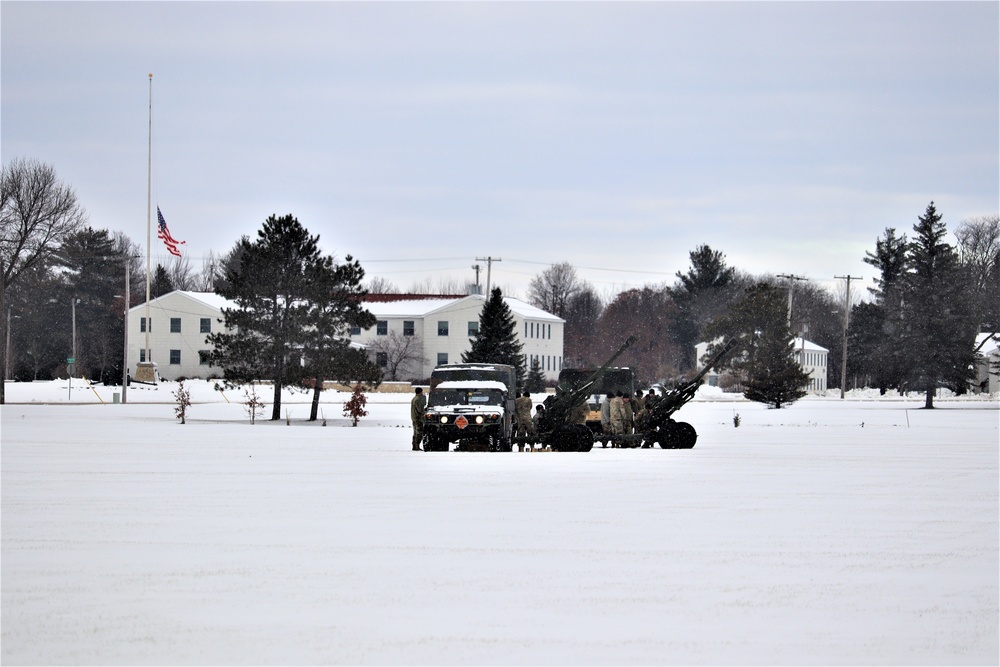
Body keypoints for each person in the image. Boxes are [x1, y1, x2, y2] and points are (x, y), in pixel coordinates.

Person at [410, 387, 426, 451]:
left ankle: (414, 446)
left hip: (414, 418)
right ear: (420, 392)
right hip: (418, 418)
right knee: (419, 433)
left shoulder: (414, 398)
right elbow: (420, 409)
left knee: (415, 433)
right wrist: (424, 411)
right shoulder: (417, 399)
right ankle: (417, 446)